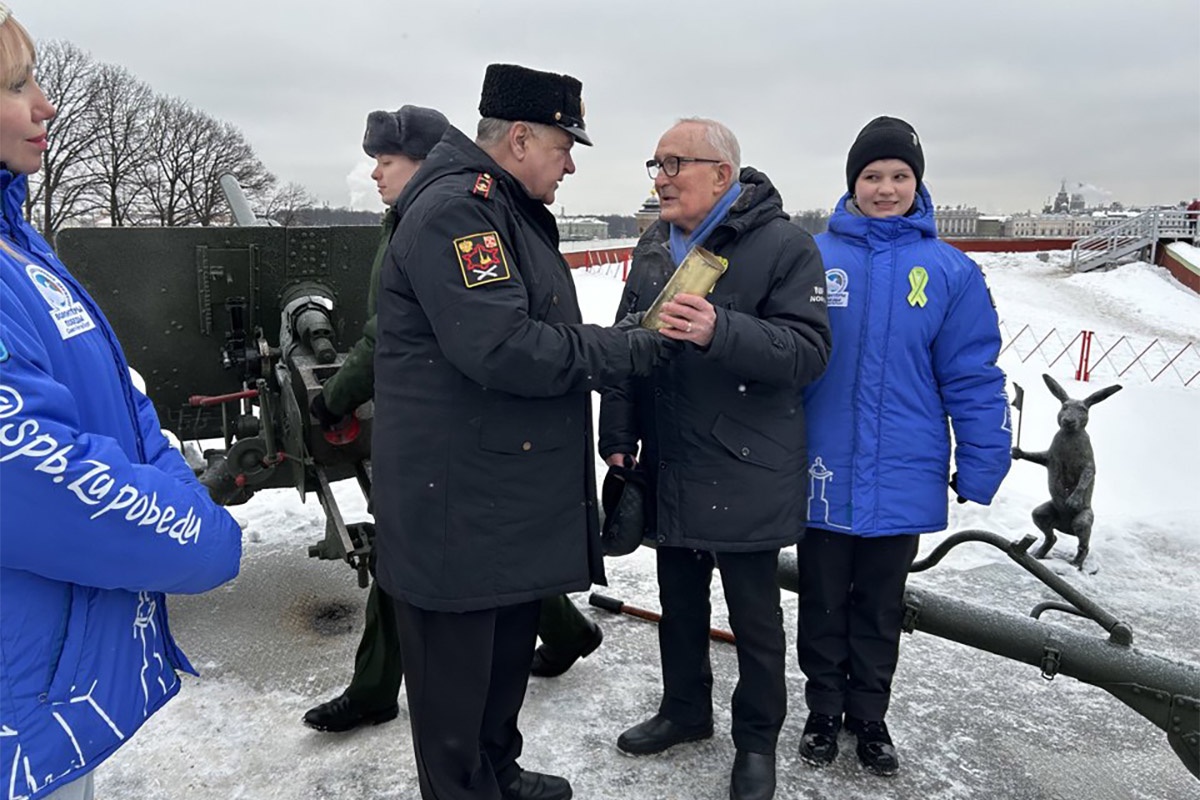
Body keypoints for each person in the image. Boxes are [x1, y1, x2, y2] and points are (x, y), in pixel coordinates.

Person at [371, 64, 671, 800]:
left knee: (501, 661)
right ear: (522, 137)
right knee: (455, 689)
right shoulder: (456, 210)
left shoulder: (501, 207)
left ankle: (495, 770)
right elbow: (502, 347)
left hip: (494, 494)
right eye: (566, 146)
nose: (570, 163)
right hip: (458, 505)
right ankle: (467, 785)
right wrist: (627, 347)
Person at [0, 7, 243, 800]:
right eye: (15, 85)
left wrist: (167, 476)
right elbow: (28, 474)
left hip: (41, 684)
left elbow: (123, 393)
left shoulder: (21, 246)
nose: (46, 104)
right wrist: (194, 527)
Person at [302, 105, 602, 734]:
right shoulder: (438, 214)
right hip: (446, 428)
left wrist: (332, 400)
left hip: (446, 435)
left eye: (387, 162)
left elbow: (387, 339)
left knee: (425, 563)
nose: (378, 174)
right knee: (451, 564)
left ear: (423, 160)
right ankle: (559, 635)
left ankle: (382, 691)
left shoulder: (442, 216)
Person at [599, 118, 832, 800]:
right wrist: (617, 432)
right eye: (657, 163)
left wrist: (719, 328)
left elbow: (809, 352)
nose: (661, 177)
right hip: (668, 461)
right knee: (678, 602)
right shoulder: (651, 246)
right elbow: (624, 347)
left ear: (723, 176)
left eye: (676, 163)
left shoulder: (784, 246)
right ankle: (684, 710)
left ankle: (756, 744)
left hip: (744, 464)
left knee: (754, 618)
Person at [796, 116, 1011, 777]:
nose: (885, 188)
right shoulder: (813, 259)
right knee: (822, 600)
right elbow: (781, 358)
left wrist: (982, 460)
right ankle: (822, 712)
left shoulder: (951, 273)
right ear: (851, 183)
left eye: (899, 176)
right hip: (822, 468)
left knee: (880, 607)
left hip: (904, 471)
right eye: (871, 176)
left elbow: (972, 374)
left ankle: (870, 718)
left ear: (917, 184)